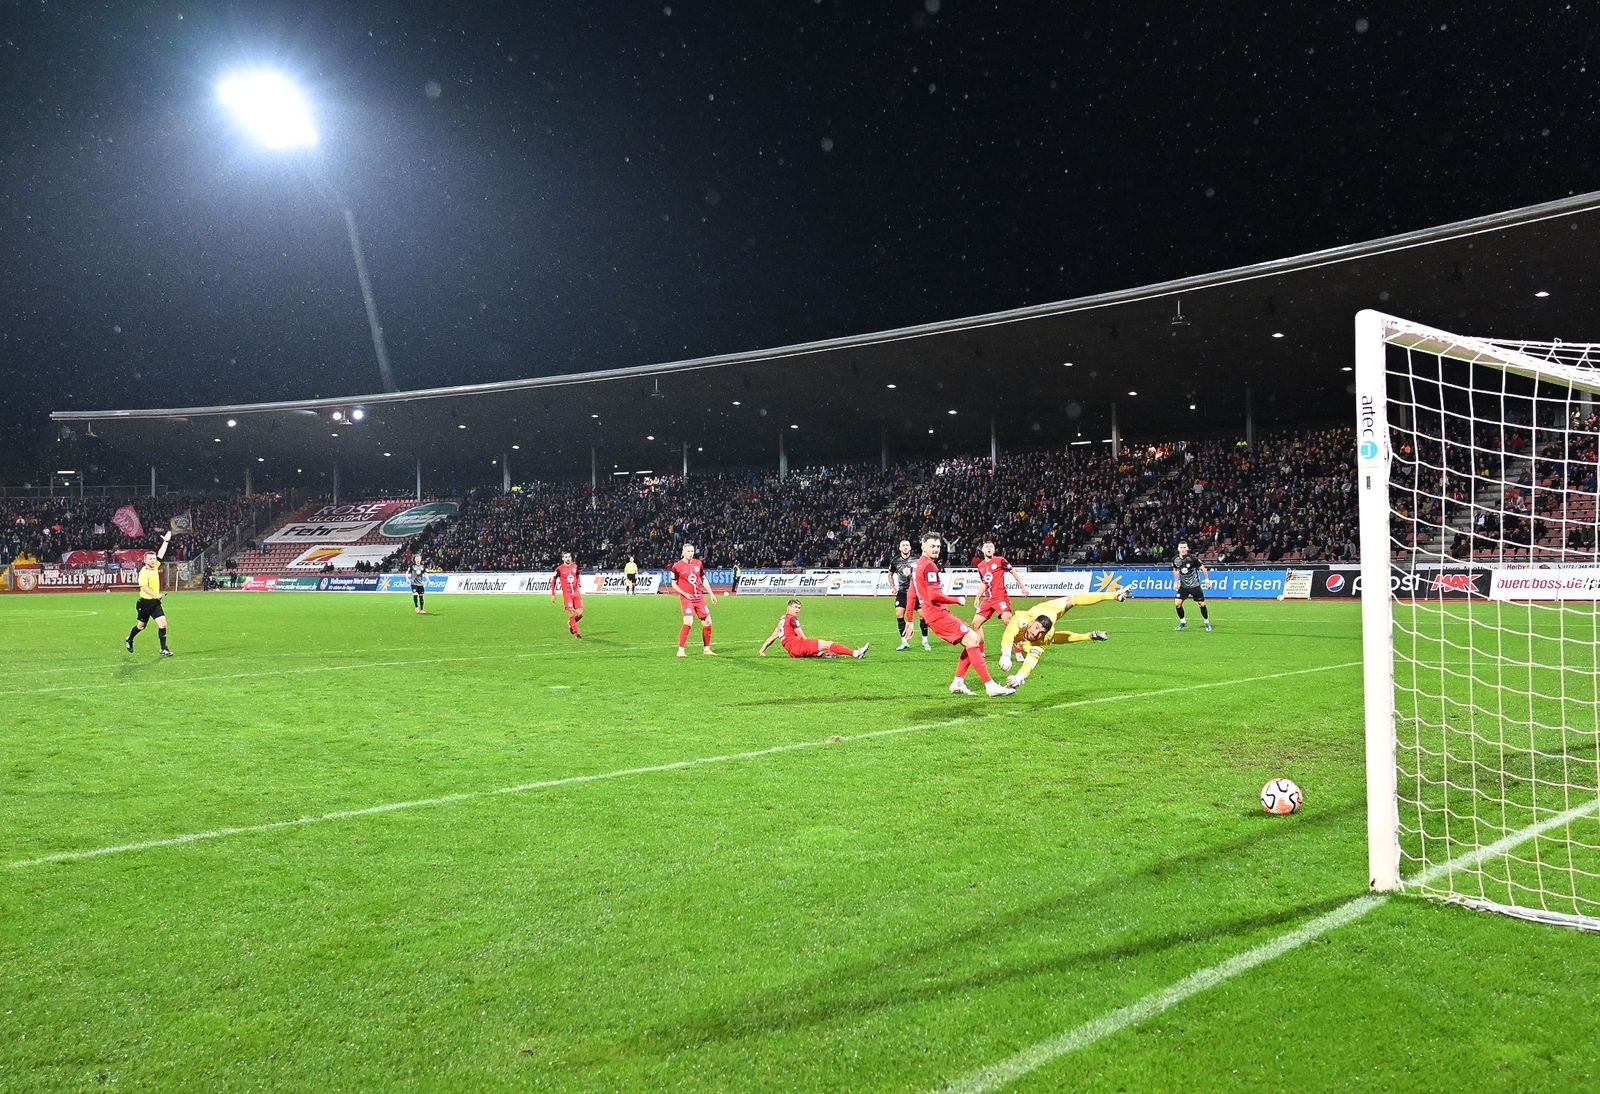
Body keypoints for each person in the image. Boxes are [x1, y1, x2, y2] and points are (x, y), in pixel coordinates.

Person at [908, 531, 1013, 697]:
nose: (936, 549)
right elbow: (934, 595)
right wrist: (957, 600)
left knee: (972, 640)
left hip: (933, 615)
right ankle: (990, 686)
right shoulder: (929, 566)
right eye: (932, 546)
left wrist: (909, 619)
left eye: (938, 546)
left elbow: (911, 593)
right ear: (923, 546)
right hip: (937, 615)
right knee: (973, 640)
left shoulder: (917, 565)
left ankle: (958, 682)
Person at [997, 584, 1133, 688]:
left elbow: (1031, 661)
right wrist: (1006, 655)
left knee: (1071, 602)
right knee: (1070, 601)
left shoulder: (1045, 637)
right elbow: (1009, 634)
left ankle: (1115, 595)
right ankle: (1092, 632)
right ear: (1032, 623)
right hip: (1046, 609)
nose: (1036, 633)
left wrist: (1019, 677)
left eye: (1041, 633)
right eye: (1036, 628)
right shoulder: (1022, 619)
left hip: (1053, 612)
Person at [758, 599, 869, 660]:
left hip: (792, 652)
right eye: (796, 607)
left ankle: (822, 654)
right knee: (827, 644)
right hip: (798, 646)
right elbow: (802, 637)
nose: (798, 610)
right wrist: (810, 645)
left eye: (799, 608)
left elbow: (771, 639)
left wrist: (762, 651)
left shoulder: (781, 622)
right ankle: (855, 653)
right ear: (789, 607)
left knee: (820, 649)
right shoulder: (792, 619)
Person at [126, 529, 175, 657]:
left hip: (155, 603)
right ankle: (130, 639)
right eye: (151, 559)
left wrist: (166, 542)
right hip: (145, 603)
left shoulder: (155, 566)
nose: (153, 561)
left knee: (163, 624)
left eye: (154, 559)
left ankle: (164, 649)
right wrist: (156, 595)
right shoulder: (144, 572)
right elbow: (144, 587)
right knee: (141, 627)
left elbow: (161, 553)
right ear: (145, 560)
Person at [971, 538, 1031, 630]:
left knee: (1007, 620)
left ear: (994, 550)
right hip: (988, 599)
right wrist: (978, 597)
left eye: (991, 547)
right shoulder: (980, 566)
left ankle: (1021, 636)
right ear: (982, 550)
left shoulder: (1000, 560)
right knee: (976, 623)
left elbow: (1013, 571)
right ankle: (979, 642)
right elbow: (984, 582)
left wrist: (1023, 587)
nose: (989, 548)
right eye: (987, 547)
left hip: (1000, 597)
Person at [668, 542, 716, 656]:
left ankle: (707, 649)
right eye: (688, 551)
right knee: (688, 622)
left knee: (708, 622)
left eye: (692, 551)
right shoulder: (677, 566)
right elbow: (673, 584)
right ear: (683, 552)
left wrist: (711, 594)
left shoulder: (698, 563)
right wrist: (684, 593)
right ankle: (681, 650)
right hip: (686, 598)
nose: (691, 553)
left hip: (699, 597)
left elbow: (703, 579)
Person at [888, 538, 930, 651]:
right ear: (900, 548)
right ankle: (904, 642)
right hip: (902, 592)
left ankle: (925, 641)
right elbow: (890, 574)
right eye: (903, 545)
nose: (905, 547)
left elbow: (924, 571)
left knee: (923, 615)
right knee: (899, 614)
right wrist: (893, 587)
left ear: (910, 547)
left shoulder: (917, 559)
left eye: (907, 545)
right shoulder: (895, 560)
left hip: (916, 591)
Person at [1172, 540, 1212, 631]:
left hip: (1195, 586)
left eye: (1184, 547)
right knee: (1177, 603)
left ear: (1187, 548)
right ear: (1178, 549)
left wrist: (1207, 581)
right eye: (1181, 548)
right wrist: (1176, 582)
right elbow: (1175, 570)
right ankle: (1183, 622)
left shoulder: (1192, 558)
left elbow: (1203, 569)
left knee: (1201, 604)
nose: (1183, 549)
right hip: (1183, 587)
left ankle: (1206, 622)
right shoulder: (1175, 559)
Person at [552, 551, 584, 638]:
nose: (568, 558)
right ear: (563, 558)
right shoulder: (559, 569)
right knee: (572, 613)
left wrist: (579, 582)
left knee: (580, 614)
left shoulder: (575, 566)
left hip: (576, 593)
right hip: (567, 595)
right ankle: (577, 633)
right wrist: (553, 594)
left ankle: (570, 623)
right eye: (566, 557)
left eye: (569, 557)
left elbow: (577, 575)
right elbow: (553, 581)